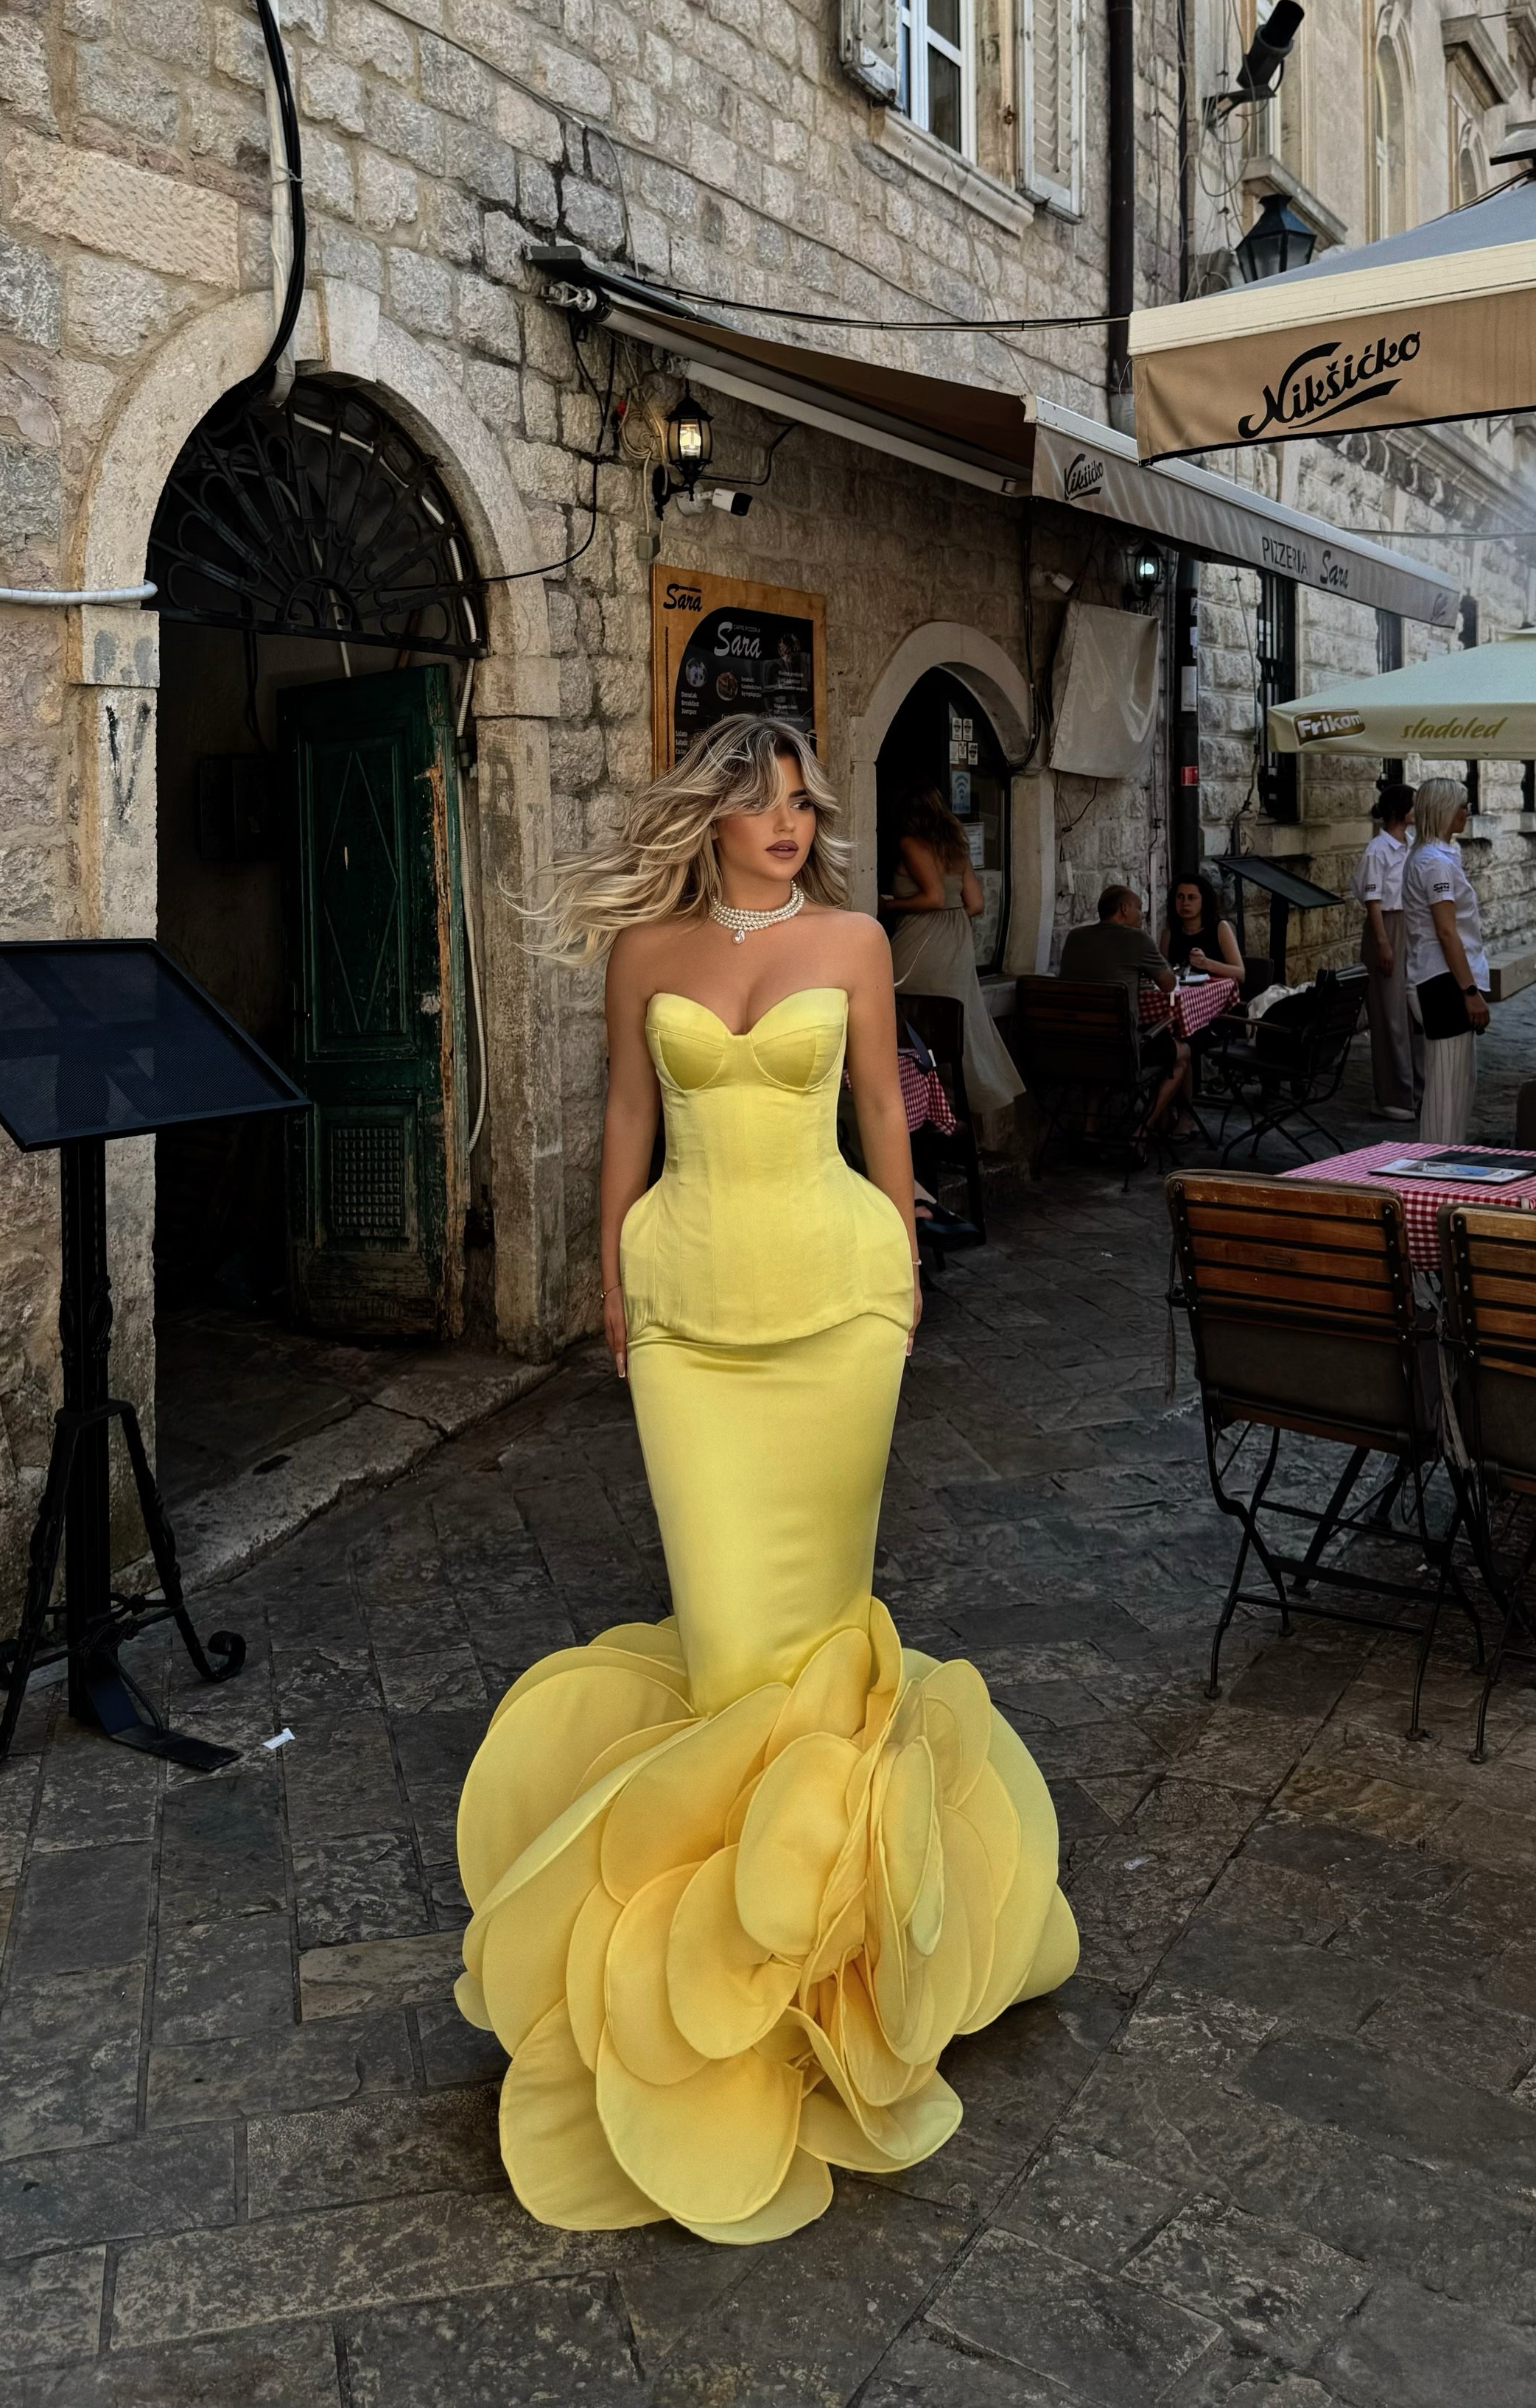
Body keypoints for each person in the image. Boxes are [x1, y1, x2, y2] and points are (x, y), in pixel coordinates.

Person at [452, 717, 1076, 2245]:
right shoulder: (647, 954)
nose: (790, 823)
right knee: (728, 1644)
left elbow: (880, 1110)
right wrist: (609, 1278)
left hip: (835, 1313)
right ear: (711, 818)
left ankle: (835, 1964)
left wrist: (908, 1272)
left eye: (804, 801)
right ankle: (726, 1982)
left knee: (811, 1633)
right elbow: (623, 1121)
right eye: (763, 802)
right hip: (687, 1324)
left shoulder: (857, 939)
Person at [883, 785, 1026, 1119]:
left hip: (921, 941)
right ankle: (952, 1113)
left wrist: (889, 905)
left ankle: (920, 1112)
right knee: (956, 1027)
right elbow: (975, 904)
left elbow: (932, 897)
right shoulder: (954, 848)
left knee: (900, 1011)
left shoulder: (910, 844)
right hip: (956, 942)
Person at [1400, 778, 1490, 1143]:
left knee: (1456, 1084)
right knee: (1447, 1090)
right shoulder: (1434, 863)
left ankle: (1444, 1160)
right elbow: (1447, 931)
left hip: (1440, 977)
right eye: (1461, 805)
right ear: (1443, 810)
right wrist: (1469, 990)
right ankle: (1436, 1165)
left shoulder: (1431, 857)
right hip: (1444, 981)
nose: (1466, 812)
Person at [1060, 880, 1188, 1133]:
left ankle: (1090, 1127)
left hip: (1074, 1047)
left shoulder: (1075, 937)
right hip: (1122, 1052)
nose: (1142, 915)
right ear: (1124, 909)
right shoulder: (1137, 939)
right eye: (1139, 908)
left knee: (1098, 1052)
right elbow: (1168, 984)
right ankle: (1141, 1130)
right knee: (1183, 1054)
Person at [1356, 782, 1420, 1122]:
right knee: (1389, 1016)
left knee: (1410, 1011)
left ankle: (1413, 1088)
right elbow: (1373, 900)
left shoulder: (1408, 845)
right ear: (1401, 811)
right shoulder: (1378, 850)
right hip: (1387, 927)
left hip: (1407, 925)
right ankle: (1393, 1093)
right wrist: (1383, 942)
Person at [1159, 873, 1246, 985]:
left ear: (1203, 901)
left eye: (1191, 898)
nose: (1185, 903)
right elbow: (1161, 972)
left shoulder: (1220, 928)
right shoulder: (1169, 933)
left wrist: (1207, 964)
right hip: (1182, 996)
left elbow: (1241, 975)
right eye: (1180, 897)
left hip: (1215, 995)